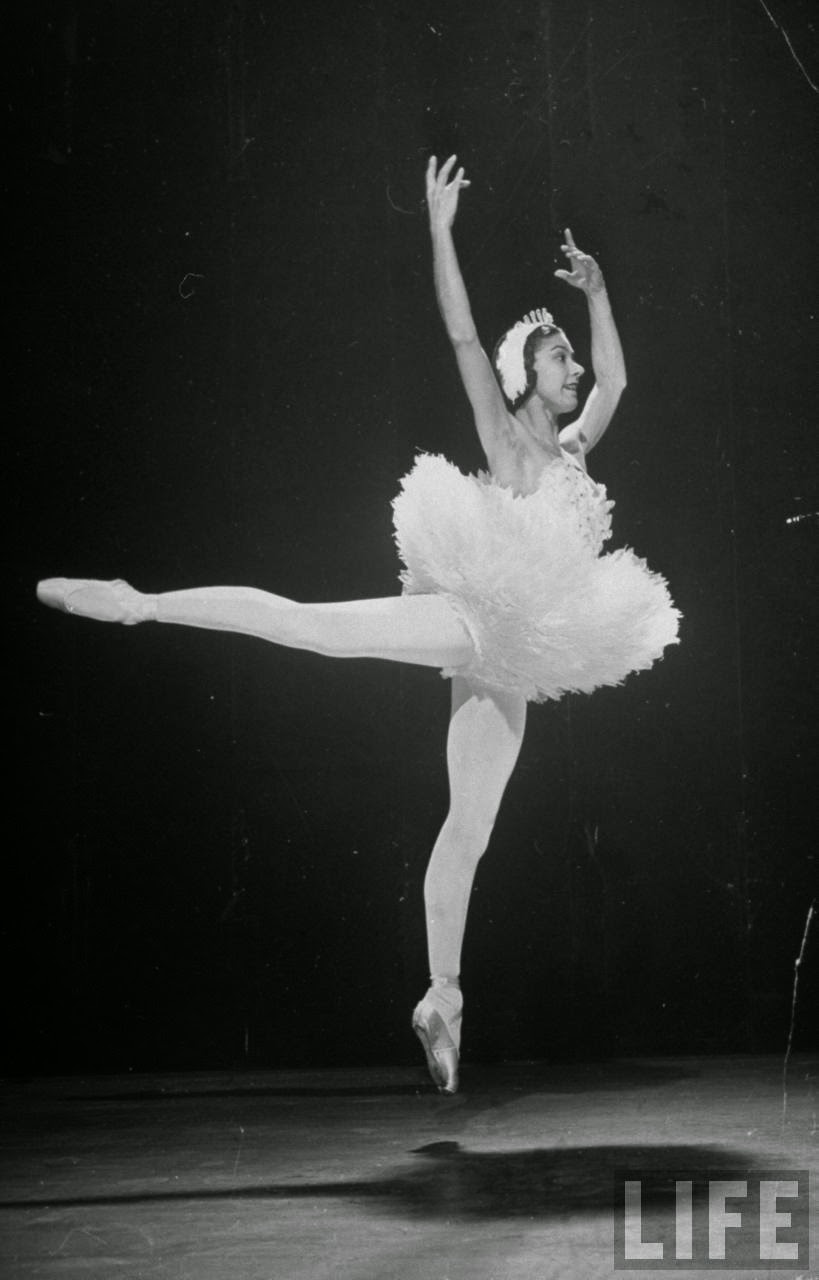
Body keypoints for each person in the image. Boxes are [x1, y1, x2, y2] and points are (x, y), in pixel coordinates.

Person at [37, 155, 679, 1094]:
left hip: (510, 654)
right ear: (522, 380)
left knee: (471, 822)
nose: (575, 368)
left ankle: (442, 998)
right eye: (557, 358)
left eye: (569, 358)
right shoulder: (505, 441)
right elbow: (461, 335)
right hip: (472, 617)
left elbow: (619, 376)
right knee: (312, 628)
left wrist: (599, 292)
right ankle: (141, 602)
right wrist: (438, 229)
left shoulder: (577, 450)